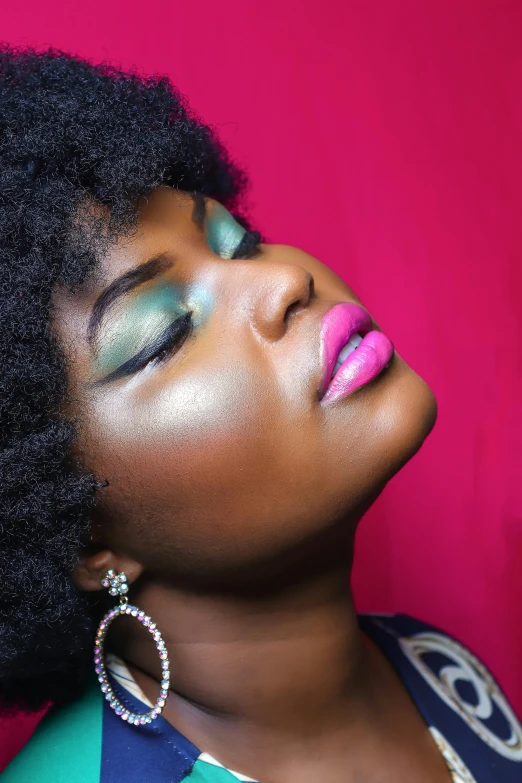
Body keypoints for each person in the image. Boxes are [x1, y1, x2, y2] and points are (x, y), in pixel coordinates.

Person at [0, 47, 520, 783]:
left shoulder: (443, 676)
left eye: (235, 240)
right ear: (85, 541)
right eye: (166, 332)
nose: (283, 279)